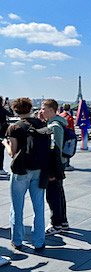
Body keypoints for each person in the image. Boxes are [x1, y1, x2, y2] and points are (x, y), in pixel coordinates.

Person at [2, 98, 46, 251]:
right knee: (39, 206)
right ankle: (39, 241)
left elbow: (12, 153)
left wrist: (5, 144)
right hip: (39, 169)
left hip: (21, 170)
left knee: (17, 206)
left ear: (15, 110)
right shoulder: (41, 124)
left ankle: (18, 240)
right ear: (30, 108)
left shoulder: (14, 127)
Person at [39, 99, 69, 235]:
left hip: (54, 165)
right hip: (58, 163)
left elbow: (54, 149)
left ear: (51, 110)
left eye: (43, 108)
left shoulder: (55, 126)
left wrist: (52, 170)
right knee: (58, 192)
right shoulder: (56, 124)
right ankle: (62, 221)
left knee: (53, 194)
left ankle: (56, 223)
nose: (41, 111)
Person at [0, 96, 14, 175]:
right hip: (2, 133)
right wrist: (8, 106)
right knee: (1, 151)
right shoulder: (2, 110)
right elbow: (11, 114)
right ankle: (0, 168)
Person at [59, 103, 75, 171]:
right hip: (67, 135)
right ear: (69, 109)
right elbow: (72, 128)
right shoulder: (69, 117)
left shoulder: (59, 116)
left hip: (60, 134)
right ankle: (67, 164)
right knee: (67, 149)